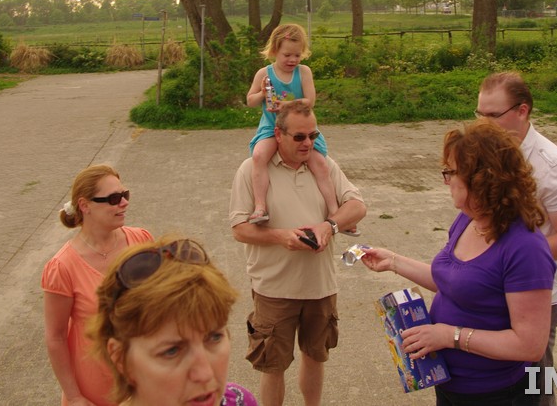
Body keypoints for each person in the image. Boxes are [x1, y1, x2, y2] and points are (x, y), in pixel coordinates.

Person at [361, 120, 555, 405]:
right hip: (451, 383)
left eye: (451, 172)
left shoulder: (525, 248)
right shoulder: (468, 220)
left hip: (497, 393)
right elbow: (453, 283)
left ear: (480, 180)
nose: (446, 181)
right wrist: (393, 261)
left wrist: (449, 336)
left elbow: (529, 345)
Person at [230, 100, 367, 406]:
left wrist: (328, 226)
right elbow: (239, 229)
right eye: (300, 137)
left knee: (315, 357)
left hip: (320, 287)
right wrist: (281, 237)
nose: (309, 143)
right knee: (272, 365)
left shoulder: (324, 165)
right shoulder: (252, 169)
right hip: (274, 289)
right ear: (278, 134)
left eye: (313, 135)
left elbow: (358, 206)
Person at [477, 71, 557, 406]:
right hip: (493, 289)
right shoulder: (488, 152)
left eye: (493, 115)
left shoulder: (551, 165)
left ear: (522, 111)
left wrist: (506, 261)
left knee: (534, 390)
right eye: (479, 114)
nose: (483, 124)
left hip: (536, 296)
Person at [89, 237, 258, 406]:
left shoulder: (240, 401)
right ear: (121, 360)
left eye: (215, 337)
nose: (205, 374)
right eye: (171, 351)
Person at [42, 164, 153, 406]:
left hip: (148, 383)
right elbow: (55, 337)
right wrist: (74, 397)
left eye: (125, 195)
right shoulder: (62, 267)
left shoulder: (142, 241)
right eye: (114, 198)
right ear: (85, 205)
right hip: (96, 393)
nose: (124, 202)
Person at [245, 24, 355, 233]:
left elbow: (310, 101)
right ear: (274, 50)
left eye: (297, 55)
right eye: (287, 55)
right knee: (259, 156)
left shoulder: (304, 72)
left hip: (301, 128)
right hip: (272, 126)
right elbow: (250, 101)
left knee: (320, 165)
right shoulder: (264, 73)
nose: (292, 60)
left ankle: (334, 212)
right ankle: (260, 207)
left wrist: (286, 105)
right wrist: (261, 94)